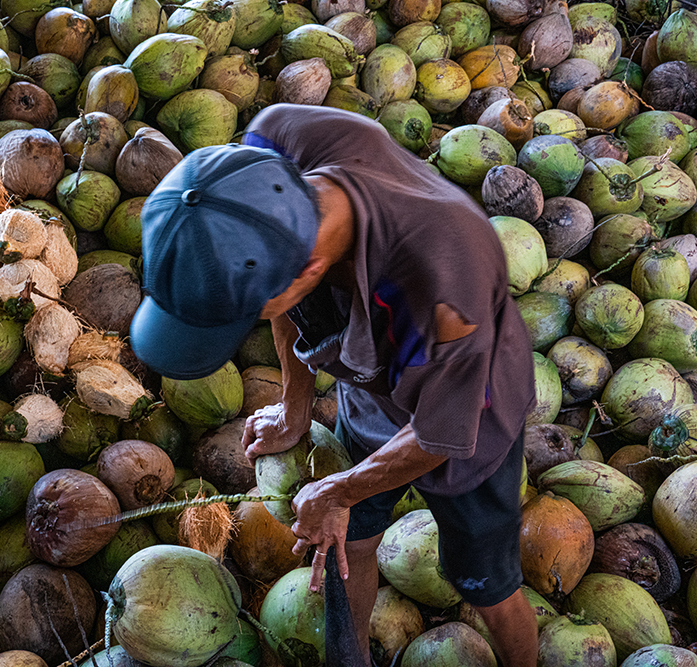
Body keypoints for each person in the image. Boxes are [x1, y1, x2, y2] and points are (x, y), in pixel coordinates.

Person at [129, 104, 538, 667]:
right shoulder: (270, 153)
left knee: (483, 582)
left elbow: (440, 434)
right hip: (368, 385)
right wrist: (294, 404)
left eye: (247, 310)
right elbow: (284, 301)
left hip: (469, 416)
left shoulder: (443, 279)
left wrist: (340, 490)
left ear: (308, 268)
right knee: (348, 543)